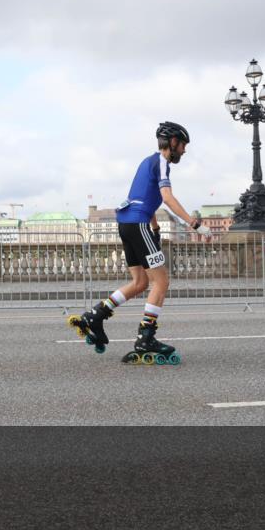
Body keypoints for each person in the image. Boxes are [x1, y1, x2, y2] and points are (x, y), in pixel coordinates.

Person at [70, 121, 211, 359]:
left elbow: (144, 197)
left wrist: (155, 228)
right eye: (183, 145)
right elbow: (166, 197)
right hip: (137, 223)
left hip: (127, 223)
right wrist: (193, 223)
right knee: (162, 281)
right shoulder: (163, 163)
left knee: (139, 283)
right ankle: (146, 337)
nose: (184, 151)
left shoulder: (148, 162)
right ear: (173, 143)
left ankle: (95, 316)